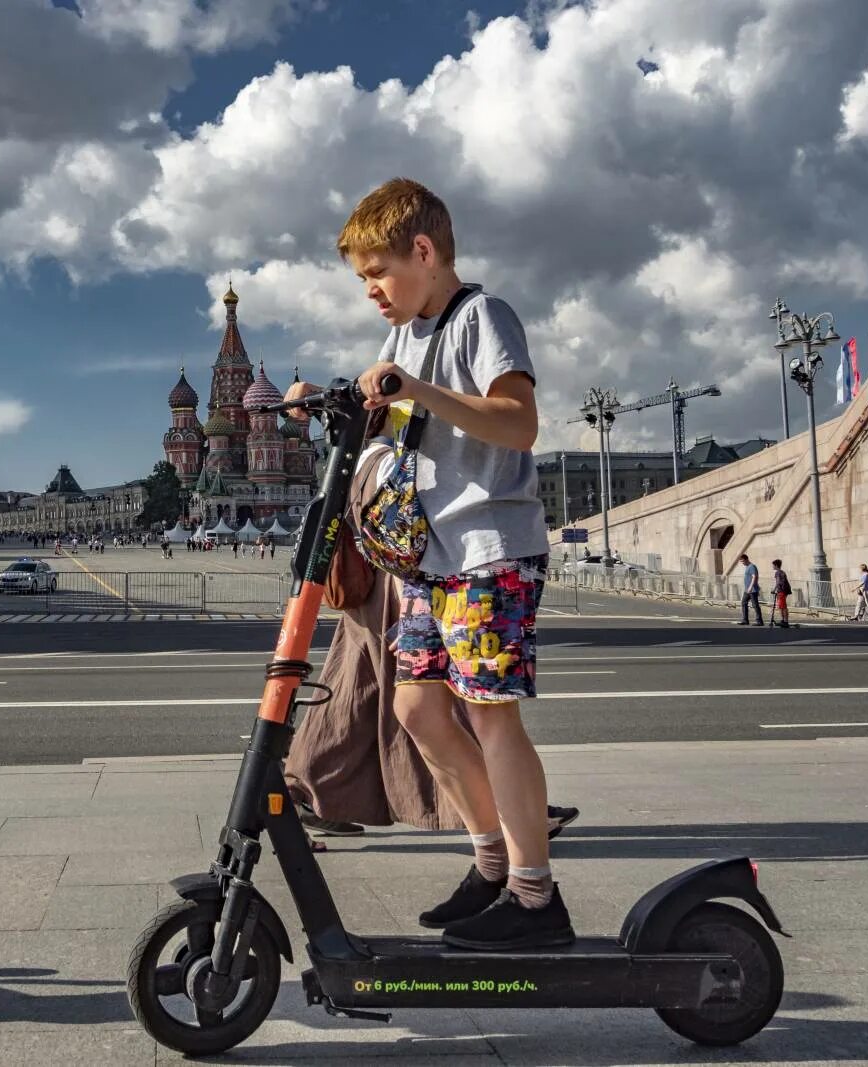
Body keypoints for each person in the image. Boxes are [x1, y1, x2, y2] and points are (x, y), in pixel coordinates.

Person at [283, 178, 569, 950]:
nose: (370, 291)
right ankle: (490, 865)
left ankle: (537, 898)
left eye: (376, 272)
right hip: (426, 557)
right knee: (416, 710)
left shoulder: (483, 317)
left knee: (489, 713)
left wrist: (417, 390)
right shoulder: (401, 338)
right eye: (361, 280)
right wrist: (333, 404)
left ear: (424, 250)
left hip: (486, 549)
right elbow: (391, 421)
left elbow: (519, 423)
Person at [736, 553, 763, 626]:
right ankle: (745, 620)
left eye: (742, 561)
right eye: (741, 562)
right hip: (747, 590)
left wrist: (751, 587)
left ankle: (759, 621)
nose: (742, 563)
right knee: (743, 602)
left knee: (755, 605)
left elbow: (754, 577)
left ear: (746, 559)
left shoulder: (752, 566)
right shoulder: (747, 567)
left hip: (752, 590)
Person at [769, 558, 791, 628]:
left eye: (773, 565)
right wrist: (775, 589)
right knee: (781, 606)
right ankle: (783, 620)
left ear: (776, 565)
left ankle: (785, 621)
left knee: (783, 606)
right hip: (784, 590)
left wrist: (774, 590)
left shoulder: (778, 573)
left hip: (782, 591)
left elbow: (778, 582)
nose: (772, 567)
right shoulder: (782, 572)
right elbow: (779, 582)